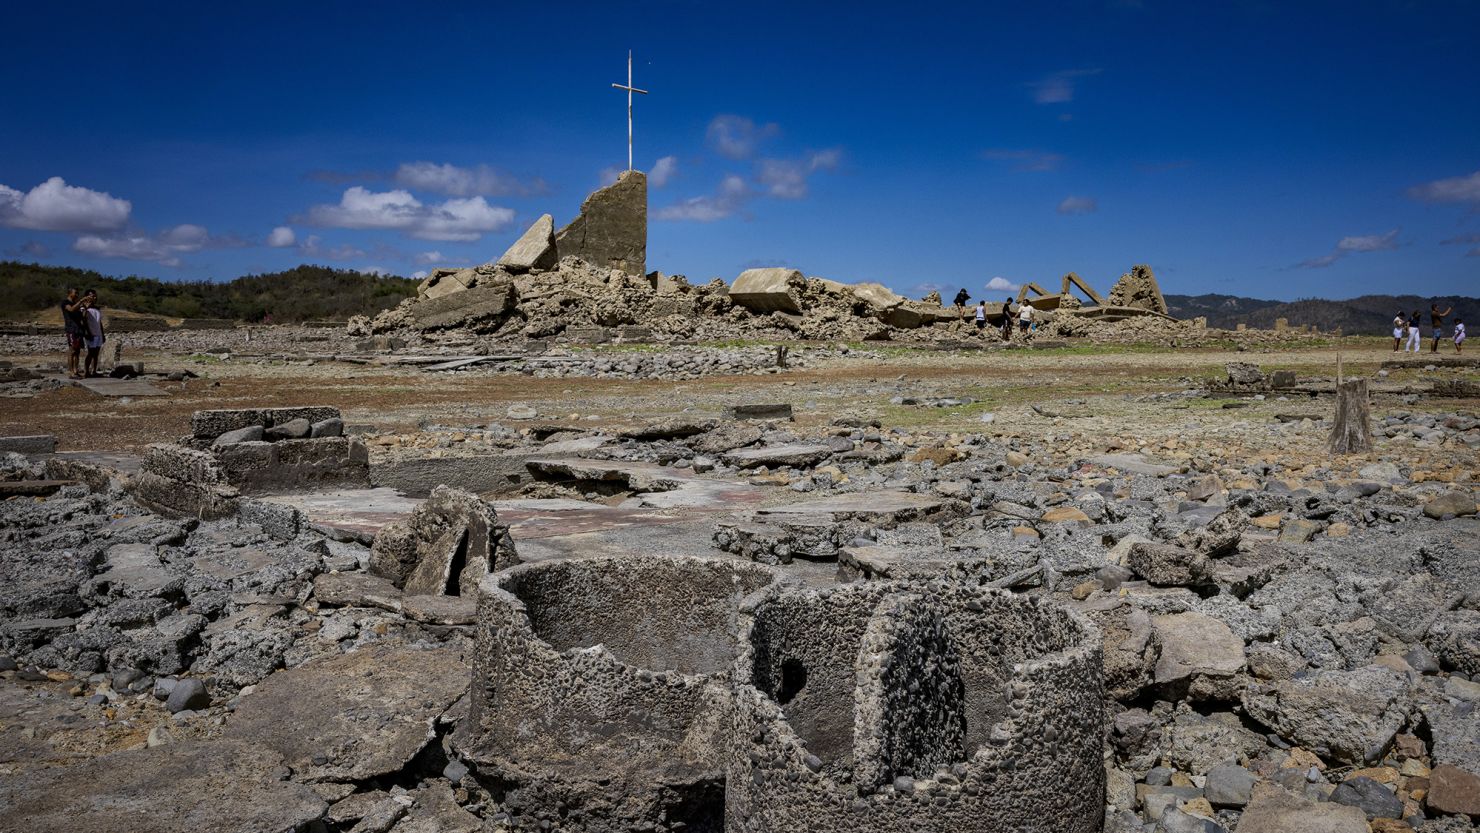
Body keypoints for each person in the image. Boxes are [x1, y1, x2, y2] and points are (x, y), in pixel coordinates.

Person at [60, 288, 86, 379]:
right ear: (70, 293)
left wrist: (85, 308)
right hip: (71, 329)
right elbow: (71, 310)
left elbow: (82, 317)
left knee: (77, 351)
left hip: (79, 329)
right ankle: (70, 372)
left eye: (78, 293)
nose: (77, 295)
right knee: (72, 351)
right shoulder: (65, 302)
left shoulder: (77, 304)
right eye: (76, 293)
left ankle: (76, 370)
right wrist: (81, 301)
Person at [82, 290, 105, 378]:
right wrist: (88, 333)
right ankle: (86, 371)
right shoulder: (83, 308)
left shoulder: (97, 309)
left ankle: (94, 371)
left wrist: (102, 334)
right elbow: (83, 320)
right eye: (92, 296)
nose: (94, 298)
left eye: (95, 296)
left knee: (96, 353)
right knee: (90, 353)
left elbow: (100, 322)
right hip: (91, 333)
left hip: (98, 333)